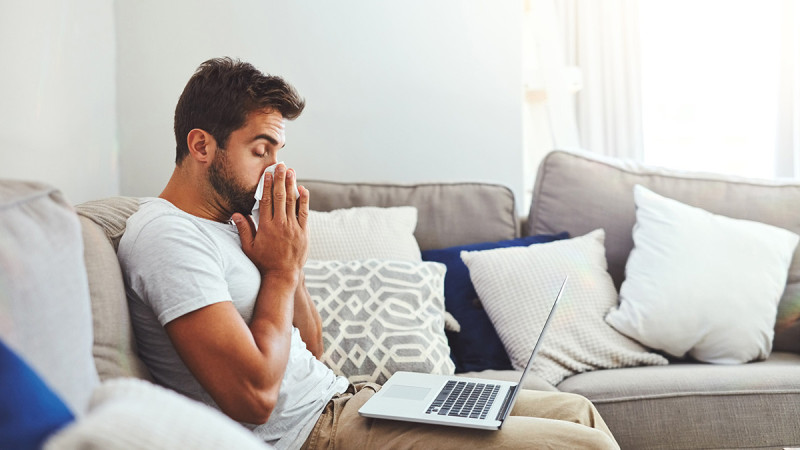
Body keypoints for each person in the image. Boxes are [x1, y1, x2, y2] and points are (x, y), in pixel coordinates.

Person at [117, 57, 620, 450]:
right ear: (201, 146)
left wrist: (291, 263)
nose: (276, 170)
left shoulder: (233, 225)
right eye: (260, 149)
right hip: (314, 435)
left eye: (279, 152)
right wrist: (279, 272)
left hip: (352, 399)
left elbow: (310, 349)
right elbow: (255, 398)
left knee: (576, 411)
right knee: (586, 446)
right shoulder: (166, 237)